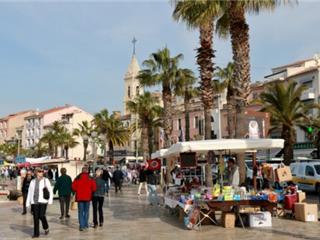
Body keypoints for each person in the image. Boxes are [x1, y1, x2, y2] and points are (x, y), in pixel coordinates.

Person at [26, 167, 53, 238]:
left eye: (42, 171)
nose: (41, 172)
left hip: (43, 201)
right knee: (35, 218)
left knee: (41, 216)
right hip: (34, 202)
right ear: (36, 172)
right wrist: (28, 203)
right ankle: (36, 234)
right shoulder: (32, 181)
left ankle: (46, 227)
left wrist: (50, 200)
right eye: (39, 171)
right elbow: (30, 192)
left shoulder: (45, 180)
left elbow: (50, 190)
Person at [72, 166, 97, 231]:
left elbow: (73, 187)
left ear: (82, 171)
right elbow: (94, 188)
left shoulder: (77, 178)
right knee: (86, 211)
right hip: (88, 197)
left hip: (80, 197)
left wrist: (77, 190)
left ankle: (81, 226)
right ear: (87, 171)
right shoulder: (90, 178)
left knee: (80, 212)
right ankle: (86, 224)